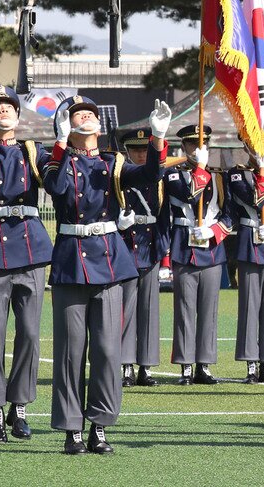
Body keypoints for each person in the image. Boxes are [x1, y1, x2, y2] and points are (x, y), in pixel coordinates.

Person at [40, 96, 170, 454]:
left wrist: (159, 137)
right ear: (66, 124)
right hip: (70, 262)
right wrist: (62, 145)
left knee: (108, 349)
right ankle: (72, 430)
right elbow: (58, 189)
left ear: (99, 125)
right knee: (70, 351)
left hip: (110, 261)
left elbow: (148, 176)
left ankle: (99, 425)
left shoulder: (113, 163)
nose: (87, 118)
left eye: (91, 115)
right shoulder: (54, 161)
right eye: (78, 115)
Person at [0, 85, 52, 443]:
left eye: (9, 107)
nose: (3, 111)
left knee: (31, 334)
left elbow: (61, 176)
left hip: (30, 248)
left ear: (18, 117)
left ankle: (19, 407)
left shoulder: (32, 152)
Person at [162, 124, 229, 386]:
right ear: (184, 148)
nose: (198, 149)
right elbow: (190, 196)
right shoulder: (174, 176)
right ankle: (185, 365)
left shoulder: (218, 177)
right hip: (184, 247)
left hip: (211, 248)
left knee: (209, 310)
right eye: (192, 145)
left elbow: (229, 212)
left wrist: (214, 231)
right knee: (185, 309)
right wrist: (199, 169)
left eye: (202, 145)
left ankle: (204, 364)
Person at [223, 149, 264, 383]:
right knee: (250, 306)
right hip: (250, 242)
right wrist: (262, 172)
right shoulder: (237, 175)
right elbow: (255, 198)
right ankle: (252, 362)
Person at [116, 127, 172, 389]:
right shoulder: (119, 176)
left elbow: (164, 219)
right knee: (125, 310)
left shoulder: (159, 179)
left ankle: (145, 366)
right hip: (126, 247)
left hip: (149, 248)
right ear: (126, 151)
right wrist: (118, 225)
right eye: (135, 150)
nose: (140, 154)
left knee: (149, 311)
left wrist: (164, 255)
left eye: (144, 149)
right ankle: (126, 364)